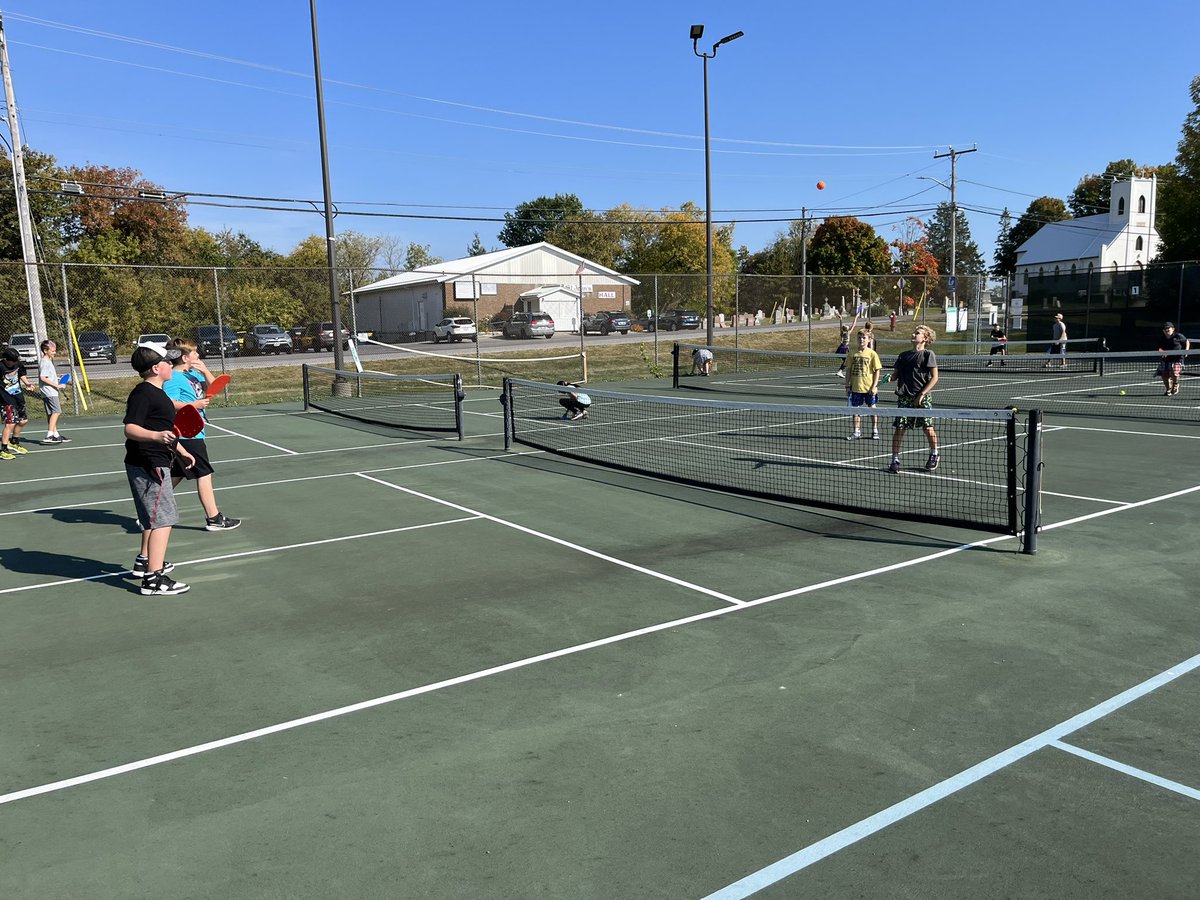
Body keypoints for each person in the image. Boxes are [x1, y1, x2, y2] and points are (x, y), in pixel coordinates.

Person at [123, 342, 195, 596]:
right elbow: (130, 428)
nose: (171, 365)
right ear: (156, 368)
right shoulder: (143, 394)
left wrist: (182, 450)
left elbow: (165, 428)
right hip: (149, 463)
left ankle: (147, 563)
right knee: (163, 520)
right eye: (168, 361)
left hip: (158, 459)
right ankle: (153, 580)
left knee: (155, 519)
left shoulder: (159, 391)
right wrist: (156, 437)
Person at [163, 338, 241, 530]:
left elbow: (215, 387)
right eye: (195, 353)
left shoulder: (192, 375)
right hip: (187, 434)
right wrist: (194, 405)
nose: (198, 355)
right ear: (185, 357)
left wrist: (205, 371)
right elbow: (168, 403)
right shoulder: (173, 377)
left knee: (177, 474)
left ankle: (150, 513)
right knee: (204, 474)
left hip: (195, 431)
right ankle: (214, 519)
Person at [887, 325, 940, 473]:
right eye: (914, 332)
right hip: (904, 397)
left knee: (928, 428)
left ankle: (934, 454)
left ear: (925, 338)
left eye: (917, 333)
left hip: (922, 398)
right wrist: (888, 378)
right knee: (900, 428)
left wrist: (922, 395)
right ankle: (895, 460)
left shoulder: (928, 354)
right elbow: (895, 375)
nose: (913, 334)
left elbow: (935, 378)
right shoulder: (903, 355)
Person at [845, 329, 882, 440]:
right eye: (859, 337)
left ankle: (875, 430)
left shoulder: (872, 354)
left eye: (864, 337)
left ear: (869, 340)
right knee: (855, 409)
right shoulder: (852, 353)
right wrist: (847, 385)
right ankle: (856, 431)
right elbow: (848, 370)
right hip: (856, 388)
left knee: (872, 408)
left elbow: (877, 371)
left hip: (869, 388)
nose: (861, 339)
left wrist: (874, 386)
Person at [1, 346, 35, 460]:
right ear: (5, 359)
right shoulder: (1, 366)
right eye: (11, 361)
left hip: (18, 397)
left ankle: (14, 442)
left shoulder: (17, 364)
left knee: (23, 420)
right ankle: (3, 449)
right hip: (6, 400)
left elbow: (21, 374)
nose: (13, 364)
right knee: (9, 424)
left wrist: (27, 383)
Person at [37, 340, 71, 443]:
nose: (54, 353)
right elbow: (43, 377)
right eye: (52, 351)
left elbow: (48, 376)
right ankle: (49, 435)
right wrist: (58, 385)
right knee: (57, 411)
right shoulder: (45, 362)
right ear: (45, 351)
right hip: (49, 392)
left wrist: (57, 378)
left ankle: (55, 434)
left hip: (50, 391)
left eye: (55, 351)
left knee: (51, 413)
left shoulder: (48, 362)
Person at [1157, 321, 1190, 397]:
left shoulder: (1178, 336)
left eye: (1168, 328)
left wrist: (1187, 351)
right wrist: (1162, 353)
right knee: (1164, 375)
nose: (1167, 330)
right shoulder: (1162, 338)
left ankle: (1175, 385)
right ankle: (1168, 388)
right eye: (1165, 329)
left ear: (1173, 329)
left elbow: (1186, 341)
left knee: (1174, 373)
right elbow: (1159, 348)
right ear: (1163, 331)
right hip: (1166, 359)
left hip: (1178, 359)